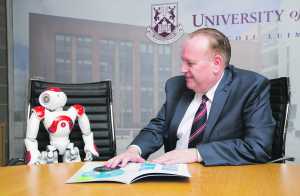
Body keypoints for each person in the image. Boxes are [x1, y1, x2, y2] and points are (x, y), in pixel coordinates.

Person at [105, 27, 275, 167]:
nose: (182, 69)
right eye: (182, 61)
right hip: (174, 179)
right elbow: (157, 127)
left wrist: (196, 153)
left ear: (216, 64)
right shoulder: (176, 86)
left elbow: (258, 147)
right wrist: (134, 150)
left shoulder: (250, 87)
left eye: (190, 63)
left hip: (221, 181)